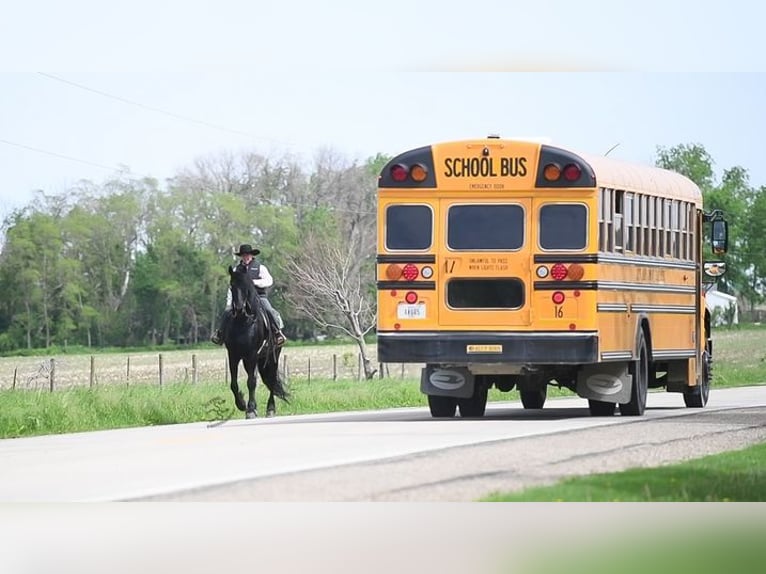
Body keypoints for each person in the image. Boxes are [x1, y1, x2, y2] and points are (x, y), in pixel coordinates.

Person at [211, 243, 287, 346]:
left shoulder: (260, 268)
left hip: (259, 297)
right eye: (243, 255)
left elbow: (269, 281)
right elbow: (232, 287)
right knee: (226, 313)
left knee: (269, 310)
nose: (246, 257)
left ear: (251, 255)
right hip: (240, 299)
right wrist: (229, 303)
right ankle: (220, 334)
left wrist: (254, 282)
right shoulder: (236, 270)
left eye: (247, 255)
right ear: (241, 256)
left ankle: (277, 333)